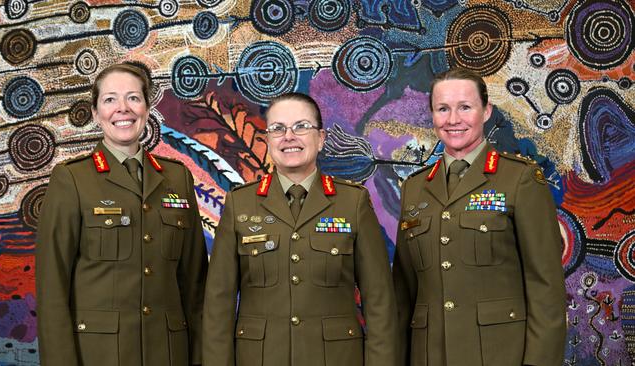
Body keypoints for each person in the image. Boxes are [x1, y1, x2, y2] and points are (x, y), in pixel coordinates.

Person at [203, 92, 397, 366]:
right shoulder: (240, 203)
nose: (289, 136)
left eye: (301, 127)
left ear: (321, 139)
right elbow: (218, 302)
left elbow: (379, 299)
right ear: (267, 140)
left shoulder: (353, 202)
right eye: (278, 129)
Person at [36, 63, 207, 366]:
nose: (122, 109)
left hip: (168, 353)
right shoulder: (72, 179)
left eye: (133, 98)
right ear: (95, 113)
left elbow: (194, 285)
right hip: (99, 356)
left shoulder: (178, 178)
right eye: (110, 99)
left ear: (147, 107)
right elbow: (53, 291)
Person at [393, 68, 566, 366]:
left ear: (486, 112)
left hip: (500, 355)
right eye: (443, 109)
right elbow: (403, 294)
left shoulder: (520, 179)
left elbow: (546, 289)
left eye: (465, 107)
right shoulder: (414, 188)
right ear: (432, 115)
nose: (453, 120)